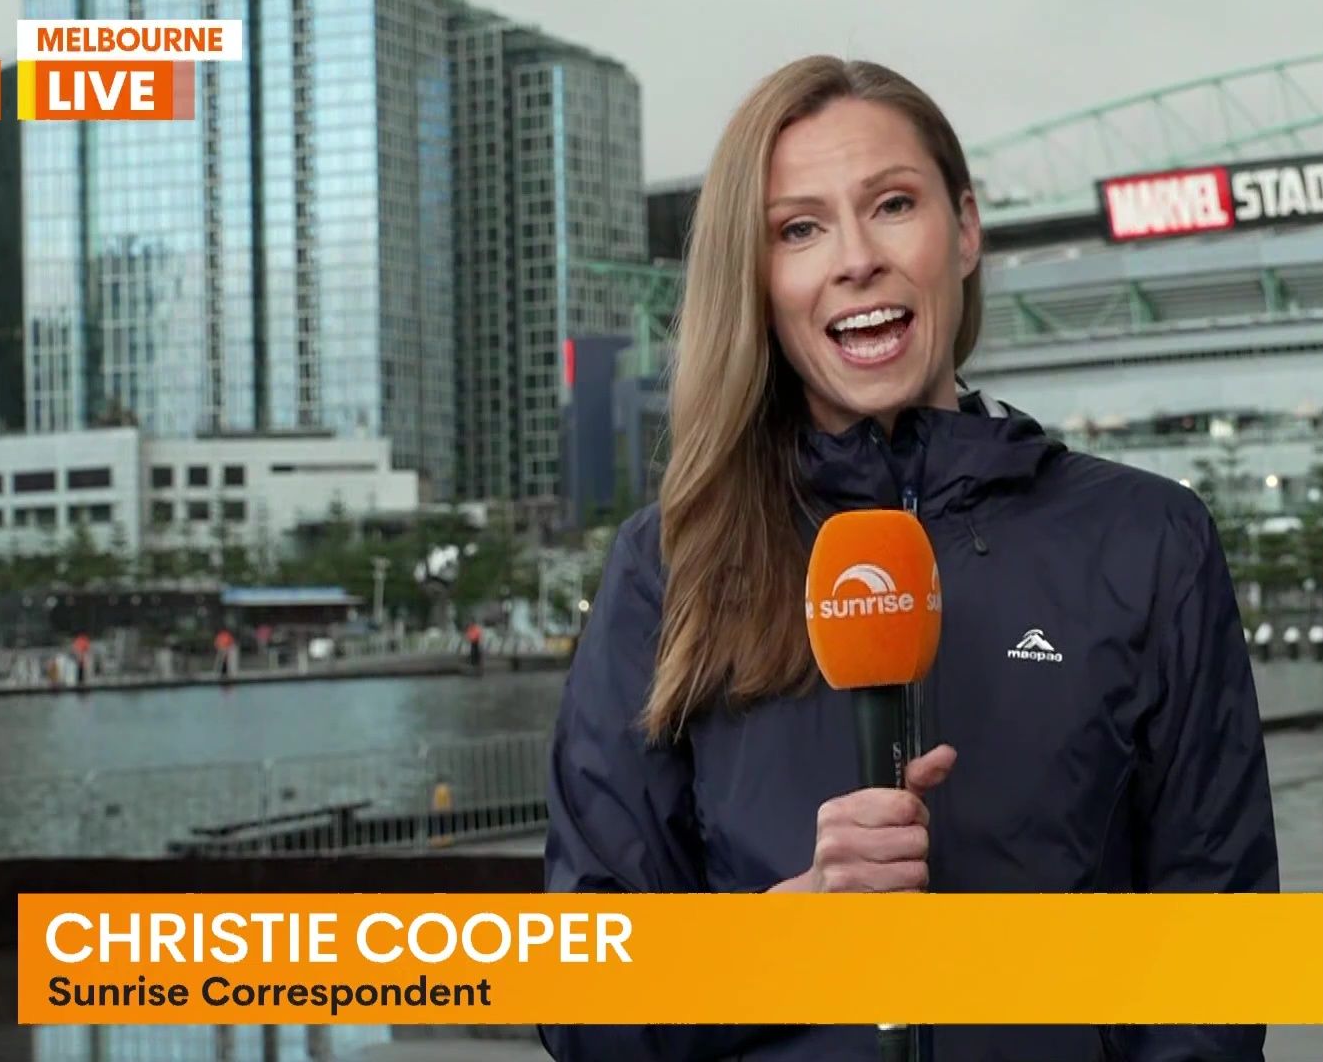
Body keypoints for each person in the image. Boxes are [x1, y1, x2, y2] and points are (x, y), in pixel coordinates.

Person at [543, 56, 1278, 1062]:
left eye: (892, 205)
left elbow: (1218, 957)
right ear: (757, 281)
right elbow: (583, 1004)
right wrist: (794, 931)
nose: (856, 259)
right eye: (799, 230)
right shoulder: (669, 564)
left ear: (964, 230)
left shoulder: (1148, 539)